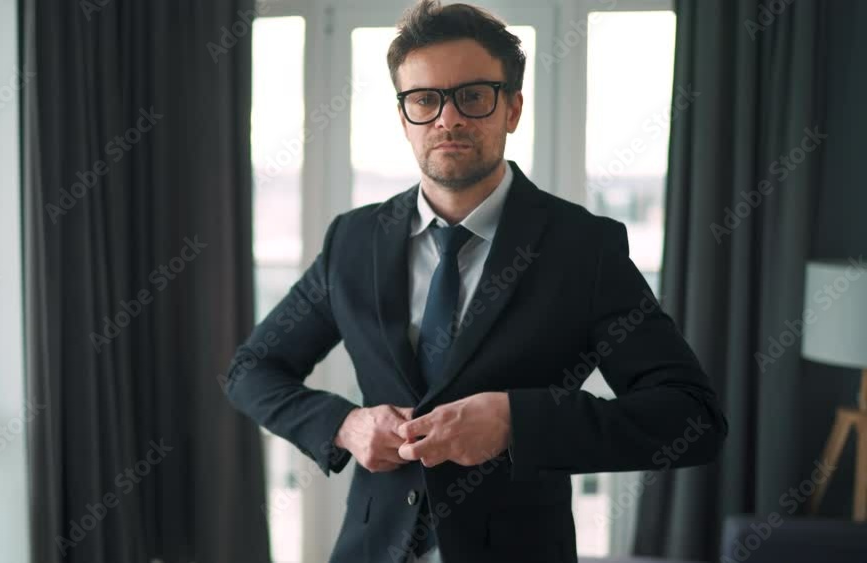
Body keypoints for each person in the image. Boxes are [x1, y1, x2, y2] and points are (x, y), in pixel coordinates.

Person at [225, 1, 728, 562]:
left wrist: (518, 421)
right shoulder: (353, 240)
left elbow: (692, 418)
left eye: (472, 95)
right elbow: (251, 370)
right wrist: (344, 425)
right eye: (424, 99)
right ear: (403, 116)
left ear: (512, 108)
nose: (447, 118)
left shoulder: (584, 249)